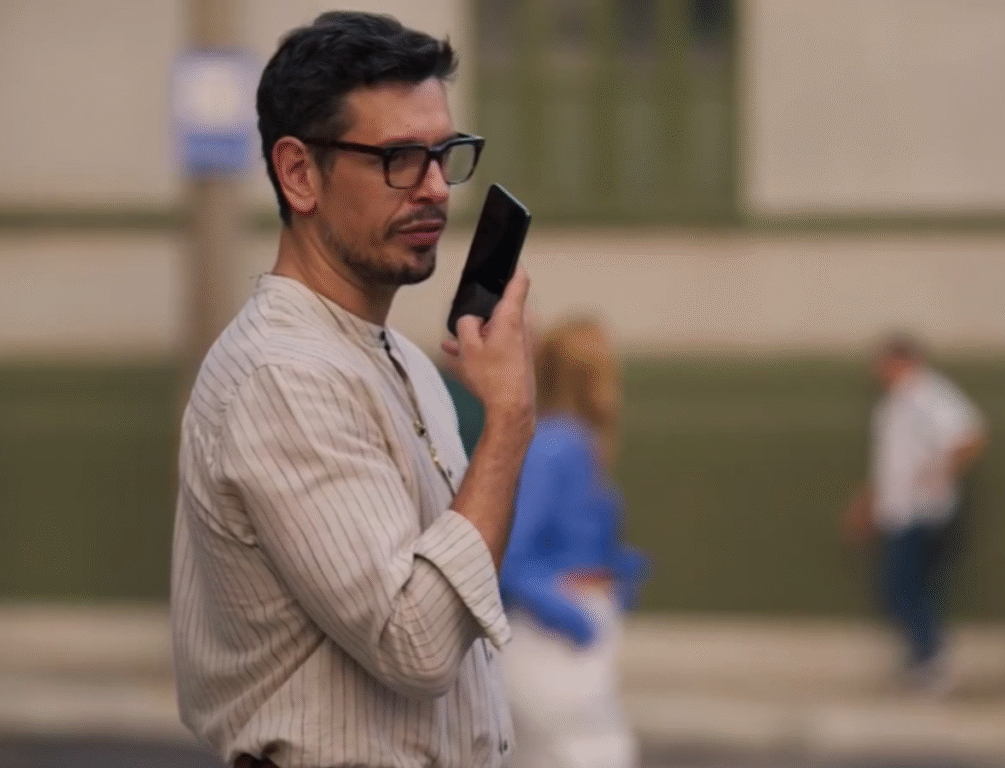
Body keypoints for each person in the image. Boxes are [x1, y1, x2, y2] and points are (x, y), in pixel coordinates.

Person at [170, 12, 536, 768]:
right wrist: (511, 417)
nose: (435, 188)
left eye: (444, 154)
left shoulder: (396, 357)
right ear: (300, 172)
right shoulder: (282, 376)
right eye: (401, 158)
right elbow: (422, 642)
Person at [498, 316, 648, 768]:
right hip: (550, 633)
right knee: (590, 753)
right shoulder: (555, 444)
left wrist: (617, 571)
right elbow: (507, 554)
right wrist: (563, 609)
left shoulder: (574, 443)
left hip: (573, 622)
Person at [843, 333, 987, 692]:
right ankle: (922, 659)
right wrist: (869, 503)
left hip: (922, 512)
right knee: (902, 588)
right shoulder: (895, 403)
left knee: (903, 587)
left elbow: (969, 434)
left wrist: (939, 472)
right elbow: (894, 464)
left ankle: (931, 661)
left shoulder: (929, 394)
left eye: (882, 364)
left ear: (901, 360)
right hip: (899, 511)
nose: (876, 372)